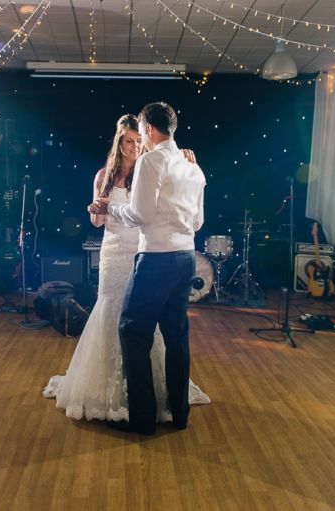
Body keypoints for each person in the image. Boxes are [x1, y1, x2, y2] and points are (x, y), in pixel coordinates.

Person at [44, 114, 209, 424]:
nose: (134, 147)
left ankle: (147, 403)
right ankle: (113, 389)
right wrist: (97, 209)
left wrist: (114, 207)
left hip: (146, 250)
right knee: (112, 313)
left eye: (137, 140)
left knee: (142, 326)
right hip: (116, 251)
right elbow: (98, 221)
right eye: (128, 141)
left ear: (146, 136)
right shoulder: (103, 175)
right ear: (118, 143)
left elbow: (143, 213)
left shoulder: (154, 167)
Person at [89, 102, 206, 435]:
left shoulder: (152, 161)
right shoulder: (194, 168)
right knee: (176, 335)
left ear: (149, 130)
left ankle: (142, 419)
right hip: (186, 257)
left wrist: (114, 208)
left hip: (156, 258)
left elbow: (140, 215)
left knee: (131, 331)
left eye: (140, 132)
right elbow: (198, 221)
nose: (139, 139)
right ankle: (179, 413)